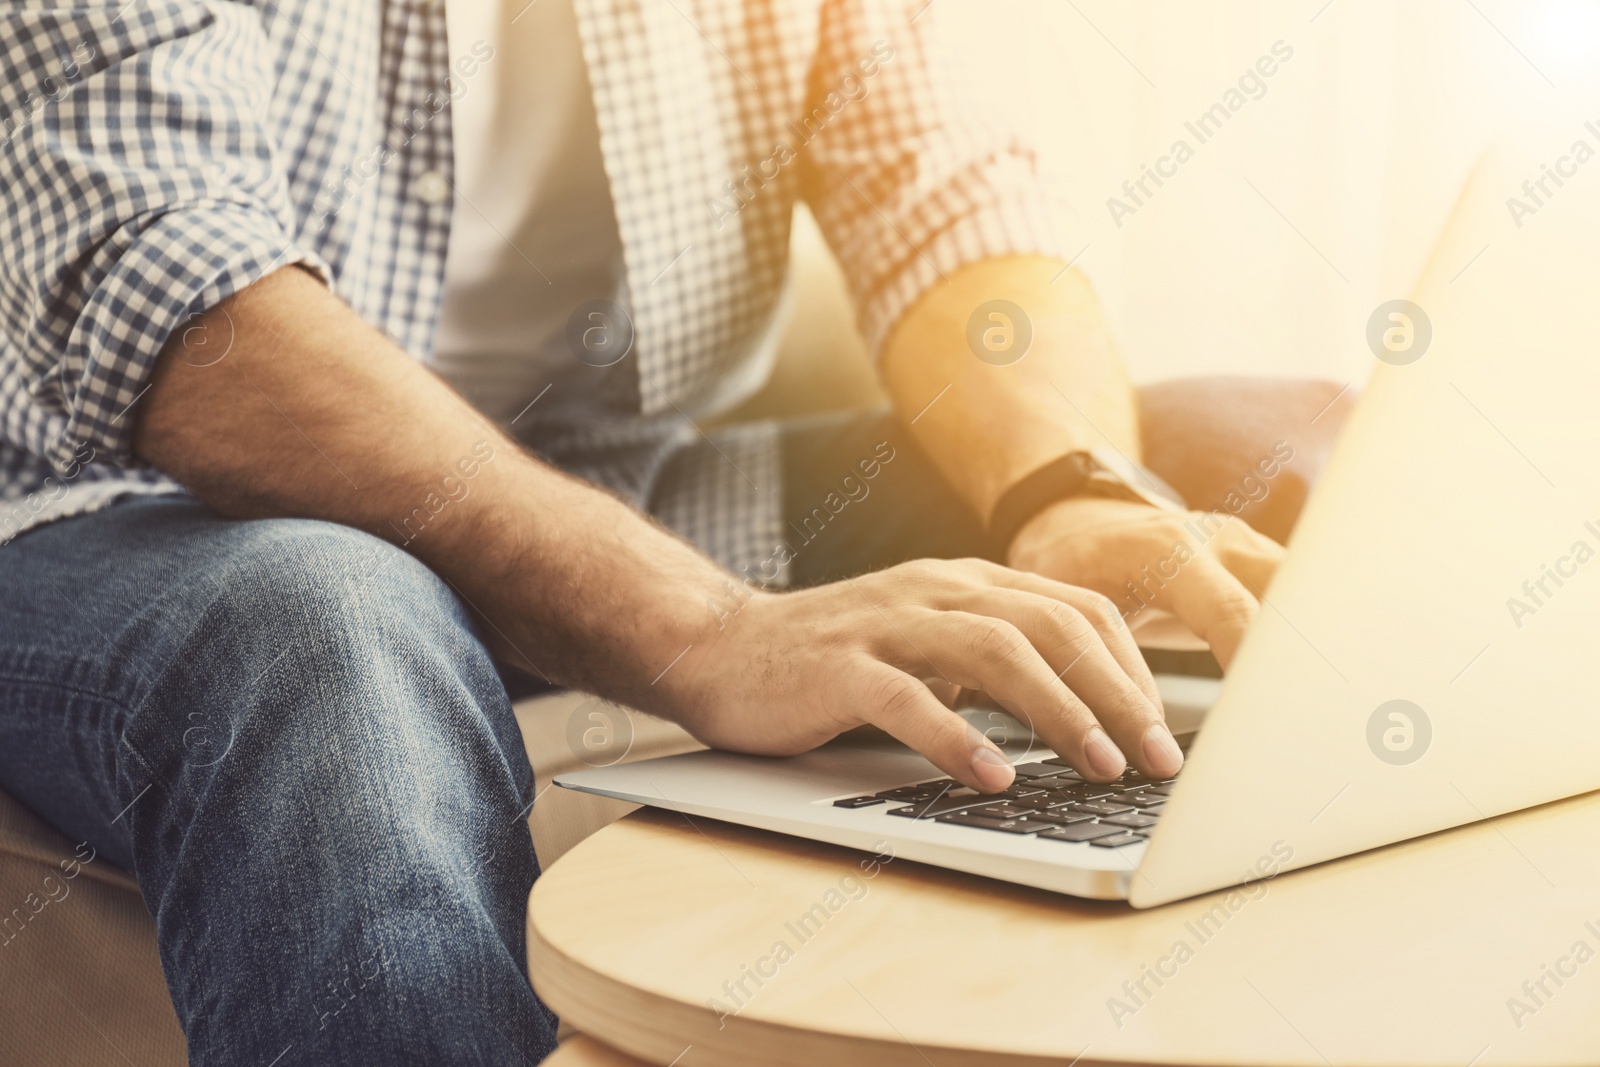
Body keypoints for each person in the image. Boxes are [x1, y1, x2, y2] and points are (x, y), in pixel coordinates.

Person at [0, 1, 1320, 1062]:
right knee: (325, 622)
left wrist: (1069, 492)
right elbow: (184, 307)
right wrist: (705, 630)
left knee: (1273, 450)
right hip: (117, 513)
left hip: (639, 481)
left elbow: (950, 194)